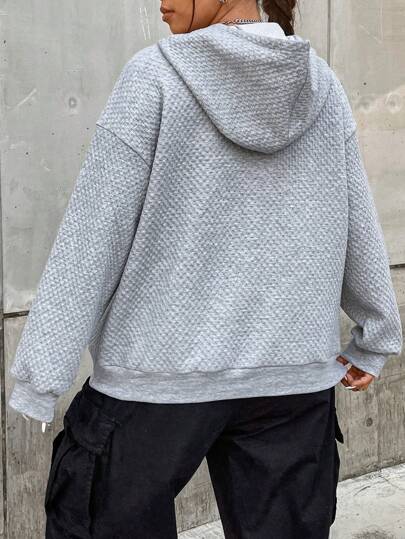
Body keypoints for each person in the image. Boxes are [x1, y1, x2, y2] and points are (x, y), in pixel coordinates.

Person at [8, 0, 403, 537]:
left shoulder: (154, 76)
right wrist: (375, 336)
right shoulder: (320, 85)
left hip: (157, 378)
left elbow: (94, 231)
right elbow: (355, 217)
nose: (162, 1)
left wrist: (41, 376)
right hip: (291, 381)